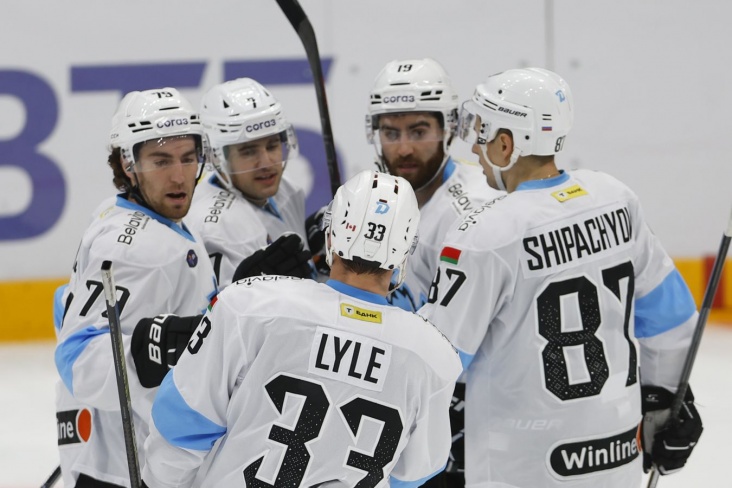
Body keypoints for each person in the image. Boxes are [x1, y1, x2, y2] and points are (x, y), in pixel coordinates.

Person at [420, 67, 703, 487]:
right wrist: (665, 400)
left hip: (521, 470)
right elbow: (672, 317)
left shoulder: (485, 235)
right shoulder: (615, 199)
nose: (475, 148)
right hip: (617, 460)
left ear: (506, 144)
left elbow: (434, 361)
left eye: (481, 134)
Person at [141, 170, 463, 488]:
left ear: (331, 234)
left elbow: (182, 423)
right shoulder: (434, 355)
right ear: (405, 252)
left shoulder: (249, 305)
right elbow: (412, 475)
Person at [54, 88, 218, 488]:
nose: (179, 176)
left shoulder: (135, 214)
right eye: (161, 161)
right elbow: (76, 359)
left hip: (138, 457)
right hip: (124, 468)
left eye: (187, 158)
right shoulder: (133, 248)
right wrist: (144, 350)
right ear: (128, 164)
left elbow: (64, 304)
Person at [364, 57, 503, 310]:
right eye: (391, 133)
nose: (404, 149)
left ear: (448, 129)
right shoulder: (379, 204)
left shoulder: (469, 215)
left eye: (418, 132)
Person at [186, 77, 312, 288]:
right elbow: (217, 307)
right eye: (249, 151)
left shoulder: (287, 189)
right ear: (217, 157)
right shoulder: (213, 227)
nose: (267, 163)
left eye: (272, 146)